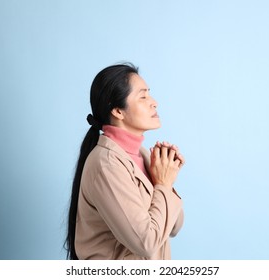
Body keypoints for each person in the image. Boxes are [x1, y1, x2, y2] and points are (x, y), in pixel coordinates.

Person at [66, 63, 185, 260]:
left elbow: (175, 226)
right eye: (143, 97)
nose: (154, 102)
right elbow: (146, 243)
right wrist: (163, 184)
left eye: (150, 94)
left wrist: (165, 178)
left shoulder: (144, 156)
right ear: (118, 111)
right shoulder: (106, 164)